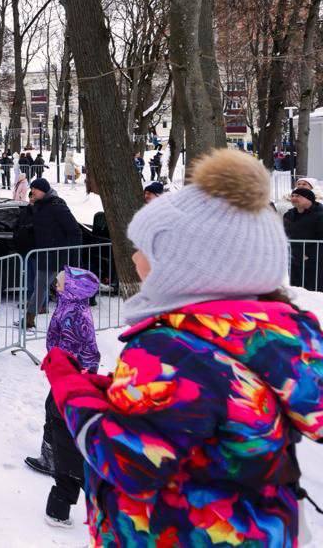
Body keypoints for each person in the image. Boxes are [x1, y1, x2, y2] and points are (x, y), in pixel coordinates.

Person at [43, 149, 323, 544]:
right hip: (259, 531)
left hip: (178, 533)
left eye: (147, 250)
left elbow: (130, 463)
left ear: (188, 265)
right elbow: (216, 410)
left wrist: (69, 386)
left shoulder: (172, 350)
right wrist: (123, 395)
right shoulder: (279, 333)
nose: (136, 259)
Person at [27, 266, 99, 526]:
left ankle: (69, 500)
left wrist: (78, 379)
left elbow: (88, 353)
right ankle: (51, 457)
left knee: (67, 437)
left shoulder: (75, 315)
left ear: (73, 288)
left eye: (60, 282)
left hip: (72, 383)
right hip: (63, 379)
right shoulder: (67, 305)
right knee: (54, 419)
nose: (55, 284)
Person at [17, 177, 82, 326]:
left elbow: (74, 230)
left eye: (35, 189)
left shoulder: (56, 205)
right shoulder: (39, 205)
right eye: (31, 189)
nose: (32, 192)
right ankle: (29, 318)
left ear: (44, 190)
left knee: (66, 289)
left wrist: (74, 254)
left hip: (58, 253)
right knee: (40, 285)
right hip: (44, 252)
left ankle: (72, 319)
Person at [284, 186, 323, 291]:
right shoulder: (288, 215)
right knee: (296, 287)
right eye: (292, 196)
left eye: (298, 196)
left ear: (309, 199)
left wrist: (310, 253)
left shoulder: (320, 214)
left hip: (315, 259)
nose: (294, 198)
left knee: (314, 287)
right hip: (294, 257)